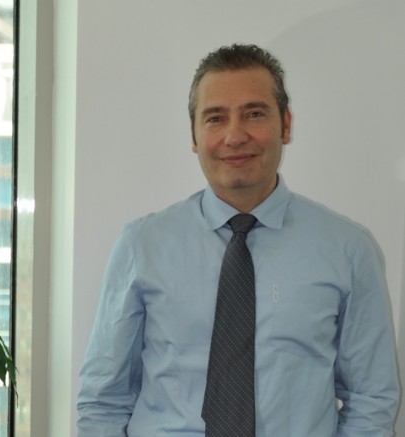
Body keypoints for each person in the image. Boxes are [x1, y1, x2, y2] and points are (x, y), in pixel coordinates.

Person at [76, 43, 400, 436]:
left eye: (254, 114)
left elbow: (371, 398)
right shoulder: (142, 246)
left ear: (286, 125)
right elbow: (103, 400)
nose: (234, 136)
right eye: (215, 118)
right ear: (194, 135)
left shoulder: (348, 249)